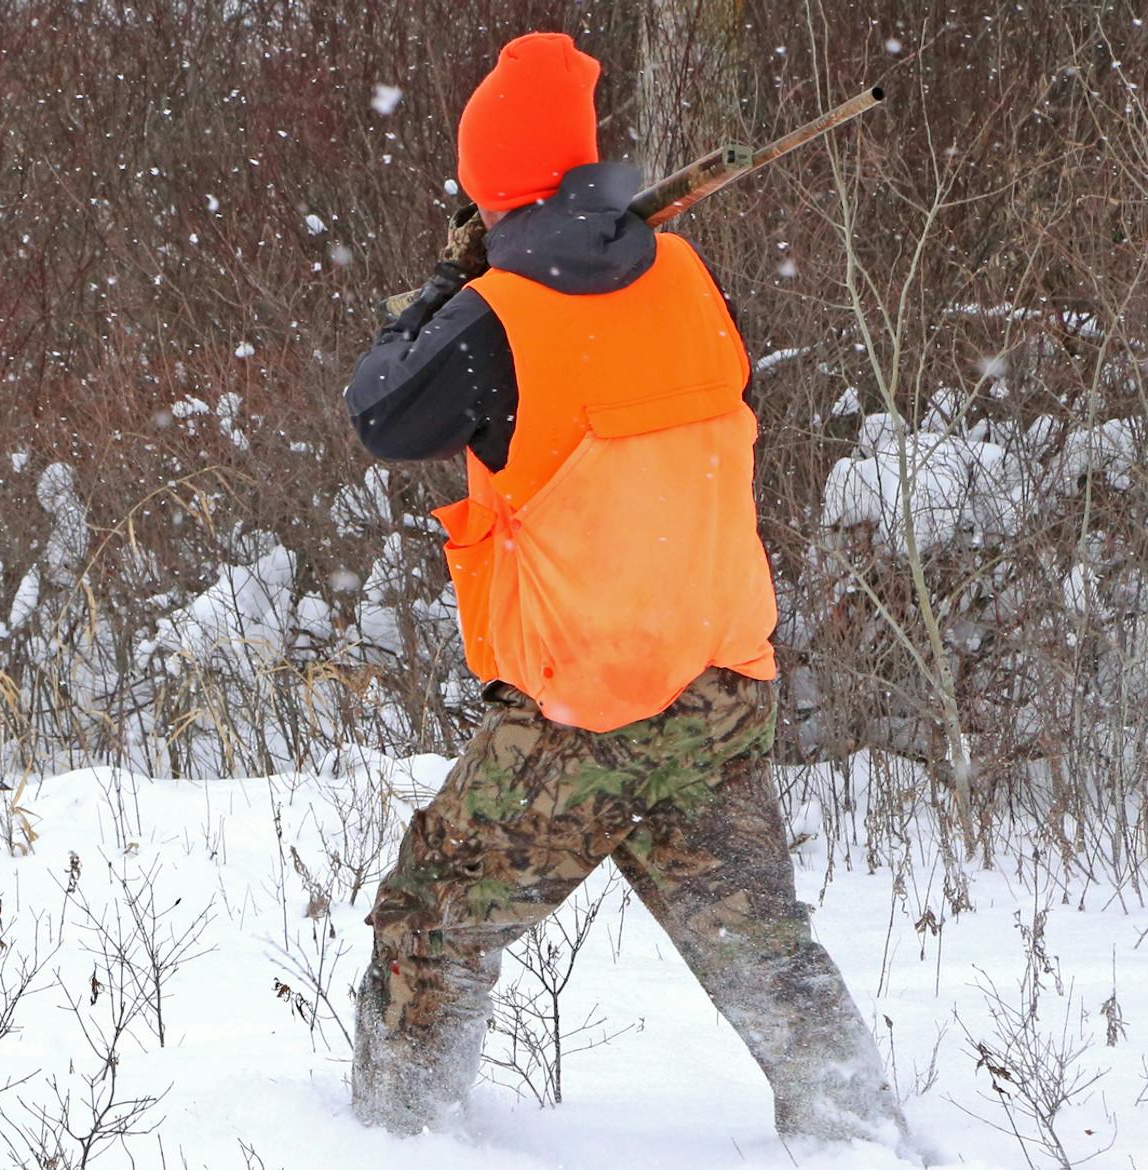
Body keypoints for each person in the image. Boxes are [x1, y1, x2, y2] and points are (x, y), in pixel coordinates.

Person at [341, 31, 914, 1153]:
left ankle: (395, 1138)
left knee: (432, 923)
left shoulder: (493, 320)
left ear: (489, 184)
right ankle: (857, 1135)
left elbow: (380, 411)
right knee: (762, 945)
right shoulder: (692, 275)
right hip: (717, 685)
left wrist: (447, 290)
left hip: (579, 712)